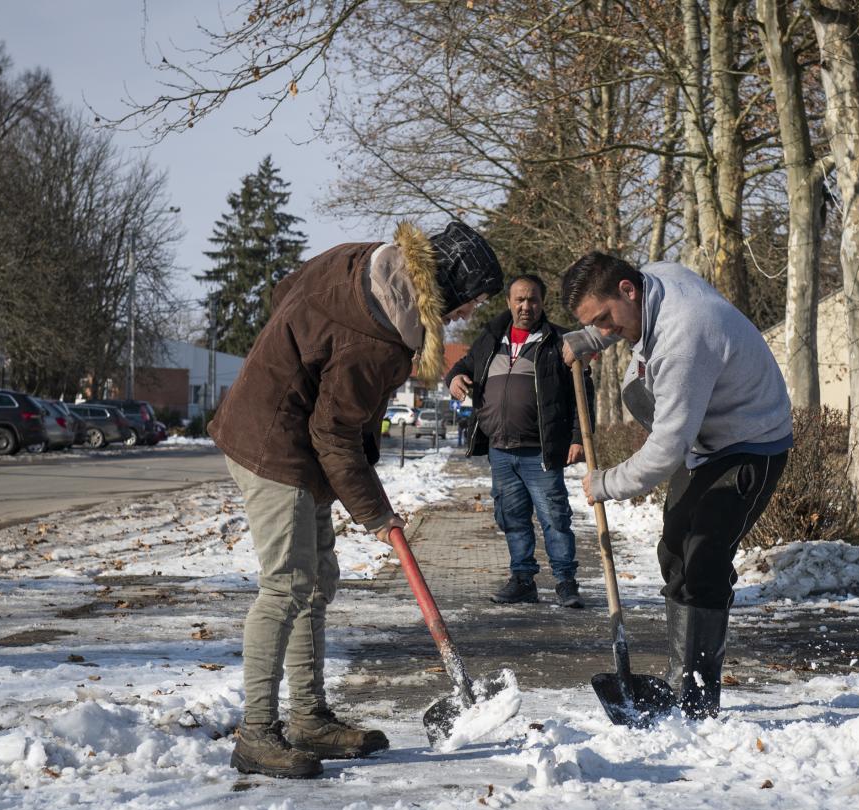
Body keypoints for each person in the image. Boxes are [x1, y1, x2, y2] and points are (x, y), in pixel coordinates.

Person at [210, 220, 503, 777]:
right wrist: (376, 513)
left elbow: (286, 287)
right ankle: (256, 733)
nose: (467, 315)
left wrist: (301, 355)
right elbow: (334, 433)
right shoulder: (378, 336)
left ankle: (308, 719)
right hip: (273, 443)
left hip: (296, 437)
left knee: (316, 582)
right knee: (287, 586)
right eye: (471, 302)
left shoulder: (365, 261)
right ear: (449, 287)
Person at [558, 251, 791, 718]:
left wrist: (607, 483)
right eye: (595, 324)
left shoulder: (684, 336)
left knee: (703, 556)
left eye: (606, 320)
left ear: (629, 291)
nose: (608, 332)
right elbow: (614, 322)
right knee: (674, 549)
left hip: (751, 443)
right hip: (707, 438)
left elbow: (665, 450)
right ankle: (681, 674)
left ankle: (698, 696)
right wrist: (589, 337)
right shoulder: (654, 279)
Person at [445, 275, 591, 608]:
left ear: (543, 303)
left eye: (533, 300)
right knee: (512, 518)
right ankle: (523, 580)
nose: (526, 306)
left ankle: (566, 583)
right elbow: (461, 366)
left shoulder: (559, 342)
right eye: (520, 300)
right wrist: (454, 378)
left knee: (554, 517)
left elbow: (583, 393)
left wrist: (577, 437)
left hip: (540, 450)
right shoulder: (490, 340)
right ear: (509, 302)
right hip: (500, 449)